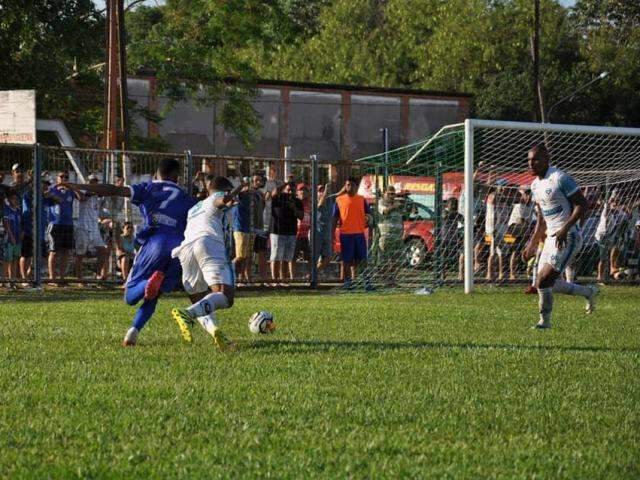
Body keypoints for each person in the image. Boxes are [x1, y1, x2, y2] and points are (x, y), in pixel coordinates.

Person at [64, 158, 196, 346]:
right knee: (155, 295)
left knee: (130, 296)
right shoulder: (186, 197)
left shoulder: (149, 187)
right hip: (179, 249)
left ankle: (147, 283)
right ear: (177, 177)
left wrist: (80, 186)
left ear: (157, 174)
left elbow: (115, 190)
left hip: (154, 244)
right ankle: (133, 332)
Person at [522, 144, 598, 329]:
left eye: (536, 159)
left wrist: (566, 228)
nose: (532, 163)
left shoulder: (560, 178)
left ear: (547, 159)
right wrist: (531, 244)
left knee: (543, 281)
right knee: (546, 283)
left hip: (568, 237)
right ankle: (589, 292)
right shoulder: (535, 185)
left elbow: (582, 204)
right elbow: (541, 219)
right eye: (529, 160)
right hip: (550, 238)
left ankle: (544, 323)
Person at [170, 176, 250, 351]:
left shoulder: (195, 207)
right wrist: (237, 190)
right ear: (225, 190)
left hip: (187, 250)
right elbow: (222, 200)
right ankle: (187, 314)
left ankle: (216, 333)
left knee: (199, 298)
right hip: (208, 243)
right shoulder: (218, 197)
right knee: (225, 296)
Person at [334, 177, 372, 290]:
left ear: (356, 187)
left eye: (351, 185)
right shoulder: (339, 200)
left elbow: (369, 216)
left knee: (362, 260)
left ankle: (367, 283)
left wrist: (369, 224)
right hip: (346, 234)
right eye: (347, 185)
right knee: (347, 260)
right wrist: (332, 233)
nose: (348, 187)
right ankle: (348, 283)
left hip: (359, 234)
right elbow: (334, 218)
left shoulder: (361, 199)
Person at [47, 171, 82, 281]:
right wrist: (57, 186)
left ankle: (62, 277)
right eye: (61, 176)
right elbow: (46, 193)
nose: (64, 179)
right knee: (54, 251)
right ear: (57, 178)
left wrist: (73, 187)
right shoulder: (52, 190)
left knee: (66, 251)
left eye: (66, 177)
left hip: (68, 224)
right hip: (55, 224)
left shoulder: (70, 191)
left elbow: (81, 198)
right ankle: (52, 278)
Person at [75, 174, 109, 282]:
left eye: (95, 181)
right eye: (91, 182)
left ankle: (96, 275)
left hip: (94, 227)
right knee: (80, 254)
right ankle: (80, 279)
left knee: (103, 251)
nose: (93, 183)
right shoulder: (84, 191)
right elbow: (82, 197)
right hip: (83, 227)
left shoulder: (97, 195)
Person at [270, 182, 303, 284]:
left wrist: (293, 207)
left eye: (292, 190)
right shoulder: (278, 198)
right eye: (288, 189)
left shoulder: (297, 202)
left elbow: (301, 216)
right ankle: (275, 281)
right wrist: (286, 183)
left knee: (286, 257)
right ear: (284, 189)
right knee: (276, 257)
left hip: (291, 232)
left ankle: (283, 280)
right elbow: (273, 194)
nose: (290, 192)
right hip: (277, 231)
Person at [376, 185, 405, 284]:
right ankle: (384, 279)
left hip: (397, 236)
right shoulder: (380, 202)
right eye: (389, 194)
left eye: (393, 194)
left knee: (396, 259)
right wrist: (395, 206)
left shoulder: (397, 204)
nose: (391, 196)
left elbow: (403, 217)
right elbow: (384, 211)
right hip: (385, 236)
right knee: (383, 260)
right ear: (384, 194)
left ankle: (392, 280)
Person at [232, 180, 254, 284]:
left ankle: (241, 278)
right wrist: (242, 185)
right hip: (239, 229)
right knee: (239, 256)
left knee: (245, 257)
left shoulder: (249, 198)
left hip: (247, 229)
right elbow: (238, 192)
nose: (248, 189)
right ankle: (232, 276)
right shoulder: (240, 196)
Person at [250, 175, 269, 284]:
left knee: (262, 253)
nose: (257, 182)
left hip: (260, 227)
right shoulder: (247, 192)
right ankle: (244, 278)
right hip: (249, 228)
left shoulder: (261, 194)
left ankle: (264, 278)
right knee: (247, 255)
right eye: (255, 180)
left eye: (259, 180)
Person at [315, 183, 336, 277]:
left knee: (327, 257)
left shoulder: (331, 202)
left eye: (323, 190)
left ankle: (313, 274)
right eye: (320, 190)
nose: (322, 192)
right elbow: (320, 204)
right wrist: (326, 191)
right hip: (317, 232)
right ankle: (313, 277)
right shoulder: (316, 201)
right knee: (315, 257)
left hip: (327, 233)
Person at [3, 191, 22, 279]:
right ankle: (6, 280)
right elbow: (6, 225)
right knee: (8, 260)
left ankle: (13, 279)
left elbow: (21, 223)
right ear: (9, 200)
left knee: (15, 259)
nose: (15, 200)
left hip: (18, 238)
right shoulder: (7, 210)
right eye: (13, 199)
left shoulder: (18, 211)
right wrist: (11, 236)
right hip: (9, 239)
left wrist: (21, 234)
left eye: (16, 199)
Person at [295, 183, 312, 278]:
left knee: (308, 257)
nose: (303, 192)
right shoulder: (296, 202)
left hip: (306, 234)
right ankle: (292, 278)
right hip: (296, 234)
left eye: (305, 190)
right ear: (297, 192)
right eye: (300, 190)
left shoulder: (309, 203)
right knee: (293, 257)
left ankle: (310, 276)